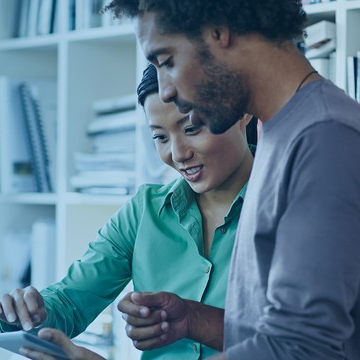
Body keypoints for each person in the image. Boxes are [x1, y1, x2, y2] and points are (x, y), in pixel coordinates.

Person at [95, 1, 360, 359]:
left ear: (218, 32)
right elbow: (275, 330)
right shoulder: (280, 131)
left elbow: (301, 349)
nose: (166, 90)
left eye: (167, 61)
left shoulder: (324, 137)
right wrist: (193, 318)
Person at [0, 63, 257, 360]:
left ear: (242, 112)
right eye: (160, 137)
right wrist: (32, 314)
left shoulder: (290, 208)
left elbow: (300, 337)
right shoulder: (143, 212)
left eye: (192, 129)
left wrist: (197, 320)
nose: (178, 153)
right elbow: (71, 301)